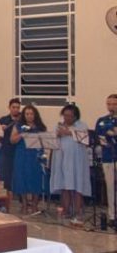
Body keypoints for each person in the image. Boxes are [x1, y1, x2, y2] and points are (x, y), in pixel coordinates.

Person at [50, 104, 91, 225]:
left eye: (69, 116)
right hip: (61, 159)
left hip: (76, 160)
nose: (67, 118)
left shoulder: (81, 126)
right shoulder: (58, 126)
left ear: (75, 117)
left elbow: (85, 140)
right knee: (65, 185)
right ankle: (66, 210)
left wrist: (68, 132)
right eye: (65, 115)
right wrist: (56, 135)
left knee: (77, 185)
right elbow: (52, 141)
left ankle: (78, 212)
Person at [10, 105, 47, 215]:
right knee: (22, 178)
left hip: (36, 155)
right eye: (27, 114)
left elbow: (45, 141)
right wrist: (21, 134)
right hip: (22, 154)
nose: (29, 116)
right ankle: (24, 204)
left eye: (31, 114)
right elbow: (12, 140)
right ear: (24, 115)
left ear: (35, 115)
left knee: (36, 178)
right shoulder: (18, 126)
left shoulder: (40, 127)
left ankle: (35, 205)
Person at [95, 94, 117, 229]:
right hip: (108, 157)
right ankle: (112, 216)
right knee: (110, 187)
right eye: (109, 104)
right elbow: (98, 136)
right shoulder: (102, 120)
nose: (111, 107)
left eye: (114, 104)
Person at [0, 98, 22, 191]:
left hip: (19, 150)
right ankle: (7, 194)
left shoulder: (22, 120)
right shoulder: (3, 120)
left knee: (19, 174)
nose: (16, 109)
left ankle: (19, 195)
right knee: (6, 174)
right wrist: (0, 128)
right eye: (13, 107)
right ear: (9, 107)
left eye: (18, 107)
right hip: (6, 151)